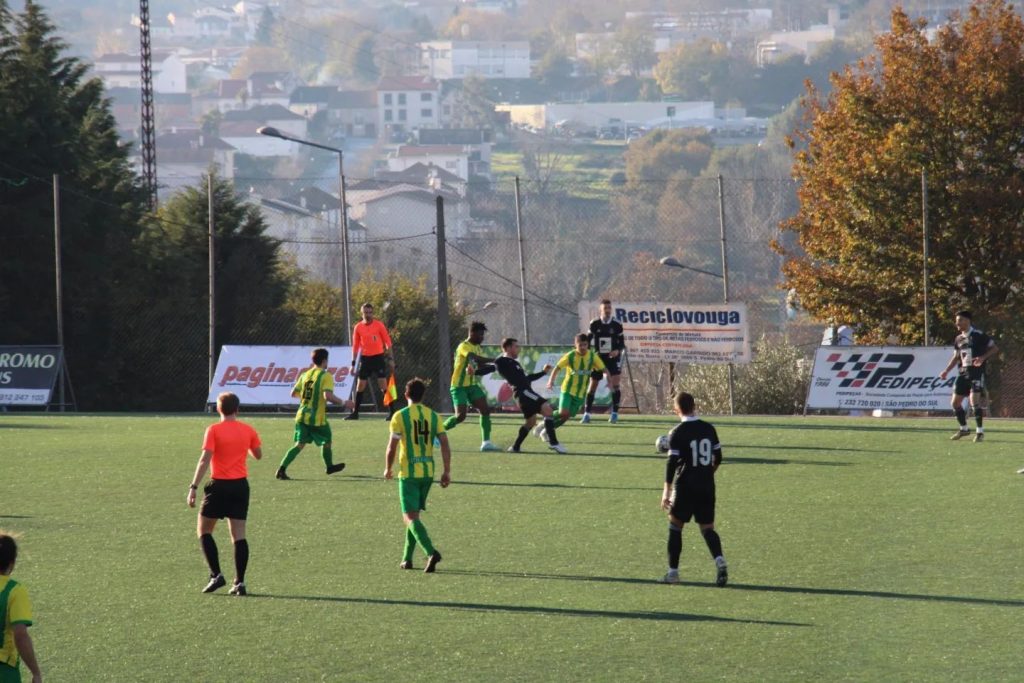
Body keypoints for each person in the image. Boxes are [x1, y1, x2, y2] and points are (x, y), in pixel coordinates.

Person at [187, 392, 263, 596]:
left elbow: (204, 459)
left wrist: (193, 487)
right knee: (239, 535)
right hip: (240, 487)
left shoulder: (213, 430)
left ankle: (216, 574)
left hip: (218, 485)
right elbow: (258, 455)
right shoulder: (248, 430)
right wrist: (243, 445)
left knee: (204, 531)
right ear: (237, 409)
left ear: (219, 409)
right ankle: (240, 582)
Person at [659, 391, 728, 587]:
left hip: (685, 485)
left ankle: (673, 573)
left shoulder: (677, 432)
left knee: (675, 526)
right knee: (707, 528)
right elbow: (719, 457)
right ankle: (719, 560)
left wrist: (666, 491)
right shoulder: (708, 428)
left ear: (676, 410)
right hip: (707, 485)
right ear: (694, 406)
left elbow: (671, 464)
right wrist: (707, 473)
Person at [384, 378, 451, 573]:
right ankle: (407, 559)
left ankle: (431, 552)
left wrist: (388, 468)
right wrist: (446, 470)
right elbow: (445, 443)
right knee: (414, 516)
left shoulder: (399, 416)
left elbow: (392, 447)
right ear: (423, 396)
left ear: (406, 395)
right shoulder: (433, 416)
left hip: (408, 474)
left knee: (409, 518)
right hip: (427, 472)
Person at [276, 348, 354, 480]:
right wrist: (344, 402)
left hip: (302, 415)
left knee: (299, 445)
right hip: (317, 419)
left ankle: (281, 469)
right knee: (326, 440)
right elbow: (327, 396)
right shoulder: (326, 375)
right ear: (324, 361)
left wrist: (308, 398)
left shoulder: (305, 374)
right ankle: (329, 466)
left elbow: (293, 393)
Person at [493, 338, 566, 454]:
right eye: (516, 346)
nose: (519, 349)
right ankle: (554, 442)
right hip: (523, 393)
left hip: (524, 394)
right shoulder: (501, 361)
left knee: (531, 422)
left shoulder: (515, 363)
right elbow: (492, 366)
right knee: (547, 408)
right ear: (507, 348)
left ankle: (515, 447)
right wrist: (475, 371)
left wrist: (543, 372)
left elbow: (527, 378)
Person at [939, 310, 998, 442]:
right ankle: (964, 429)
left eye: (959, 320)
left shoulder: (978, 335)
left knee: (973, 402)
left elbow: (994, 348)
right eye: (956, 321)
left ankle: (980, 432)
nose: (957, 323)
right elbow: (956, 357)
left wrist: (982, 358)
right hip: (963, 373)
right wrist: (946, 371)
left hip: (976, 373)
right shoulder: (958, 338)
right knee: (955, 403)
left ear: (967, 321)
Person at [536, 334, 605, 441]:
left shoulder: (592, 356)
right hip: (567, 389)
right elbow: (557, 368)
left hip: (581, 393)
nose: (582, 347)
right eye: (580, 345)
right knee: (564, 412)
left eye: (585, 344)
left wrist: (609, 380)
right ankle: (546, 426)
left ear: (588, 345)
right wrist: (550, 381)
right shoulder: (570, 356)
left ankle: (545, 428)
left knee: (566, 416)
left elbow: (605, 369)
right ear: (575, 345)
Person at [443, 321, 499, 452]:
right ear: (472, 333)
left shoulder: (478, 347)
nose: (482, 337)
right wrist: (494, 360)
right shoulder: (463, 346)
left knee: (485, 410)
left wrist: (496, 367)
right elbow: (474, 358)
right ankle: (436, 432)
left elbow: (480, 367)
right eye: (480, 334)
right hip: (459, 386)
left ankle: (486, 443)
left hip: (472, 385)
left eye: (483, 335)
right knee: (460, 416)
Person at [0, 534, 41, 683]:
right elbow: (20, 635)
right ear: (12, 563)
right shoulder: (14, 591)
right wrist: (35, 672)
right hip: (4, 671)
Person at [581, 299, 626, 424]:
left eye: (609, 308)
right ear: (600, 310)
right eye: (605, 308)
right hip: (598, 358)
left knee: (615, 385)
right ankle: (587, 414)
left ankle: (614, 413)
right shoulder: (594, 324)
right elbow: (588, 341)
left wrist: (617, 350)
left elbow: (622, 343)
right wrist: (590, 356)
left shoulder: (617, 324)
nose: (607, 310)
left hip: (613, 359)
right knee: (593, 385)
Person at [347, 303, 395, 420]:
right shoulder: (358, 327)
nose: (368, 315)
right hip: (365, 359)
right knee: (360, 385)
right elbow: (355, 346)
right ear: (362, 313)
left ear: (372, 313)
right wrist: (353, 364)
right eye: (365, 312)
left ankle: (393, 412)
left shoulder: (379, 325)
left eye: (370, 312)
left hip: (378, 358)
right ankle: (355, 413)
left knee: (383, 385)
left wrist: (390, 359)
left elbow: (387, 343)